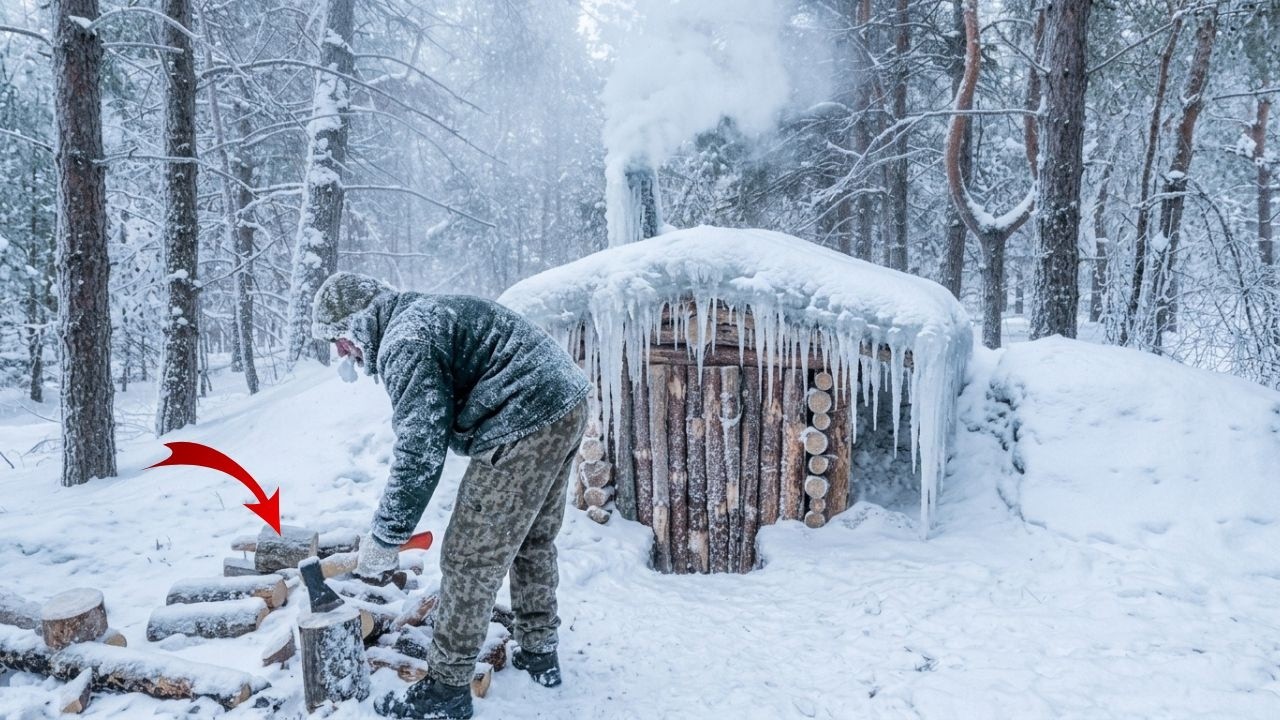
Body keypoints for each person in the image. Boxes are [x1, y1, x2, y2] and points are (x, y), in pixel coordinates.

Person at [310, 271, 590, 720]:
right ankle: (539, 652)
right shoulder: (419, 318)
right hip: (565, 400)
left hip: (522, 416)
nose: (343, 352)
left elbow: (420, 450)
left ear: (359, 321)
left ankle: (446, 690)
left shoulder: (405, 340)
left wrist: (385, 538)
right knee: (531, 540)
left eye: (340, 338)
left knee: (468, 557)